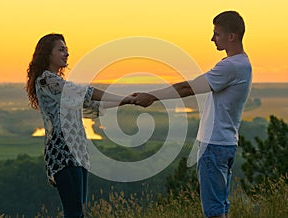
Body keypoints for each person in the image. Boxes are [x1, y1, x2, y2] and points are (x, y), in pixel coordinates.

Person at [129, 11, 252, 218]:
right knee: (221, 207)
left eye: (217, 34)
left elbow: (189, 88)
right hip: (226, 143)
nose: (212, 39)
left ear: (232, 36)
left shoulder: (231, 66)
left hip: (214, 145)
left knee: (214, 212)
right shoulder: (243, 64)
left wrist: (152, 96)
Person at [25, 33, 131, 218]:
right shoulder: (46, 80)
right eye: (61, 49)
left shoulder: (58, 84)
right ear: (47, 54)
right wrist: (123, 98)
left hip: (78, 150)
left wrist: (127, 102)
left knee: (79, 211)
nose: (66, 53)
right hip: (61, 152)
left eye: (67, 50)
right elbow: (85, 92)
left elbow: (93, 105)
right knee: (73, 211)